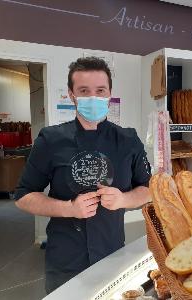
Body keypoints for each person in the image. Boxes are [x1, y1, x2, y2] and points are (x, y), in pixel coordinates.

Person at [14, 57, 151, 294]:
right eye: (84, 91)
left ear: (109, 94)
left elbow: (150, 189)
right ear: (71, 95)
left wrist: (123, 200)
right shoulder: (50, 140)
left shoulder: (128, 140)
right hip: (65, 258)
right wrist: (69, 208)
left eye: (100, 90)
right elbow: (23, 197)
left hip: (113, 252)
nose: (93, 97)